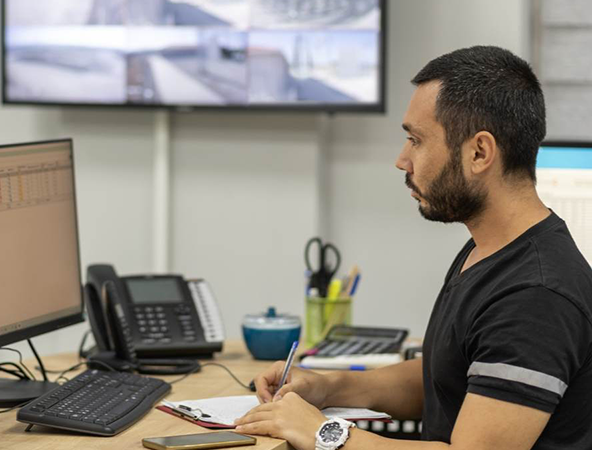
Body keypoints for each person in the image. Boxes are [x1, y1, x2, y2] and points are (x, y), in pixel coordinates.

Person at [234, 45, 592, 450]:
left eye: (416, 140)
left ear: (479, 152)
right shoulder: (489, 250)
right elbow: (448, 378)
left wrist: (322, 433)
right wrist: (328, 386)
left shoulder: (536, 295)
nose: (402, 160)